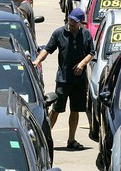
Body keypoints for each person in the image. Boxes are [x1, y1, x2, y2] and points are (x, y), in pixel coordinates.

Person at [32, 8, 95, 150]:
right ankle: (45, 138)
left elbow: (91, 52)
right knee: (56, 109)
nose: (71, 22)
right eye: (70, 19)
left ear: (80, 22)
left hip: (79, 80)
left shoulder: (85, 34)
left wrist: (82, 64)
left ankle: (71, 140)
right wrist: (37, 61)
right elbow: (47, 49)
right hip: (63, 79)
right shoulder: (59, 33)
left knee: (76, 110)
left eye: (74, 21)